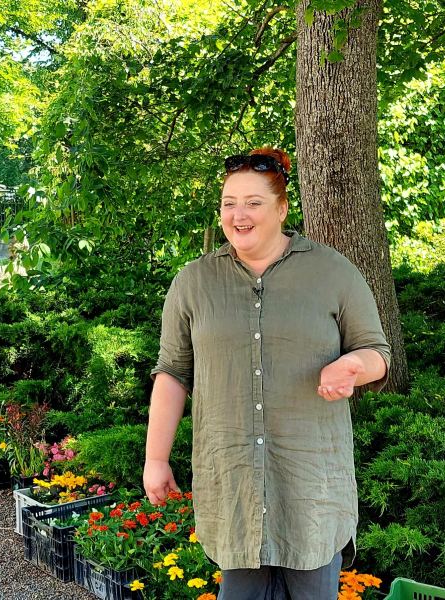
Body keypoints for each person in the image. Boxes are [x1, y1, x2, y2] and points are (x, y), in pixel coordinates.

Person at [142, 148, 390, 600]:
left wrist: (353, 365)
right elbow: (173, 373)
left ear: (281, 208)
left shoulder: (333, 272)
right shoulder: (194, 282)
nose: (239, 215)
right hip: (231, 485)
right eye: (228, 202)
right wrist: (156, 459)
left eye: (253, 203)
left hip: (311, 489)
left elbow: (377, 352)